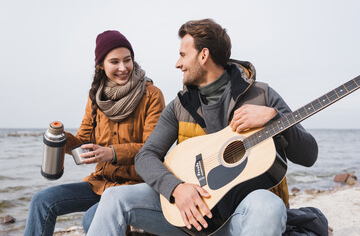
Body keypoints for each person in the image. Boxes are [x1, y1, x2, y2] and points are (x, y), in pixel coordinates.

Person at [86, 19, 318, 236]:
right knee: (114, 197)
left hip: (242, 216)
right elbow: (145, 157)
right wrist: (176, 188)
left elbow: (309, 155)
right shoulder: (179, 106)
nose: (178, 63)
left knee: (268, 206)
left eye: (183, 55)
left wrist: (275, 119)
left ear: (204, 55)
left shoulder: (263, 95)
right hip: (190, 216)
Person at [23, 30, 165, 236]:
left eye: (128, 60)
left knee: (91, 218)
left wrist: (111, 152)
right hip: (101, 183)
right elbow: (82, 143)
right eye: (114, 62)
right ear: (101, 65)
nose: (123, 68)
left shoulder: (151, 95)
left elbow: (152, 148)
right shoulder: (96, 97)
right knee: (42, 201)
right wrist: (60, 138)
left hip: (136, 186)